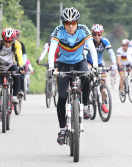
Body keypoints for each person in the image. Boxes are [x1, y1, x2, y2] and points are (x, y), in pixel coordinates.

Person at [47, 7, 98, 144]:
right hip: (63, 63)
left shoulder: (83, 29)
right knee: (62, 97)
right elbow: (52, 50)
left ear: (77, 22)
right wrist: (52, 67)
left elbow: (92, 48)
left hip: (80, 61)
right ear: (63, 24)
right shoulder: (58, 31)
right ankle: (62, 129)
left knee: (86, 77)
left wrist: (96, 67)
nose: (70, 26)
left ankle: (86, 105)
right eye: (67, 23)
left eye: (73, 23)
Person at [0, 28, 25, 122]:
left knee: (17, 75)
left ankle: (14, 96)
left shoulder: (17, 44)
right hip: (0, 67)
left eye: (10, 42)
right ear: (3, 39)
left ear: (14, 40)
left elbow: (19, 55)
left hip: (11, 65)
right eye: (6, 41)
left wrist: (21, 67)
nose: (7, 44)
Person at [83, 24, 117, 113]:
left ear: (102, 34)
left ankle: (103, 103)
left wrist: (114, 63)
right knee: (87, 79)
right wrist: (86, 66)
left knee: (104, 81)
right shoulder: (88, 41)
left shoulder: (105, 41)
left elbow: (111, 53)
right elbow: (84, 54)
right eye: (94, 34)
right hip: (89, 63)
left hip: (99, 64)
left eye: (99, 34)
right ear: (92, 34)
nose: (97, 36)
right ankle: (86, 100)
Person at [14, 29, 27, 97]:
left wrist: (22, 64)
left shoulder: (21, 45)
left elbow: (24, 56)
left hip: (19, 63)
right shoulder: (8, 44)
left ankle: (21, 90)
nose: (15, 39)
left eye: (17, 37)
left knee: (21, 76)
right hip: (10, 63)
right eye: (14, 37)